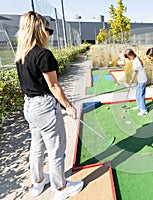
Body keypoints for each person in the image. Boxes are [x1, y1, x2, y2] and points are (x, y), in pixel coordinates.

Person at [15, 11, 83, 199]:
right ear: (40, 30)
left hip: (29, 105)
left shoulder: (21, 54)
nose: (49, 34)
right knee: (56, 149)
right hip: (44, 107)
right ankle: (60, 188)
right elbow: (53, 85)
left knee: (36, 147)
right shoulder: (43, 54)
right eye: (48, 29)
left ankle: (38, 184)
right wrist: (68, 106)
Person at [124, 49, 148, 116]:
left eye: (128, 57)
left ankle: (144, 109)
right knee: (137, 92)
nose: (128, 59)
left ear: (131, 55)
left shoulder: (136, 61)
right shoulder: (135, 60)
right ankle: (139, 106)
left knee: (141, 94)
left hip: (142, 79)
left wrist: (132, 80)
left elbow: (135, 72)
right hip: (139, 79)